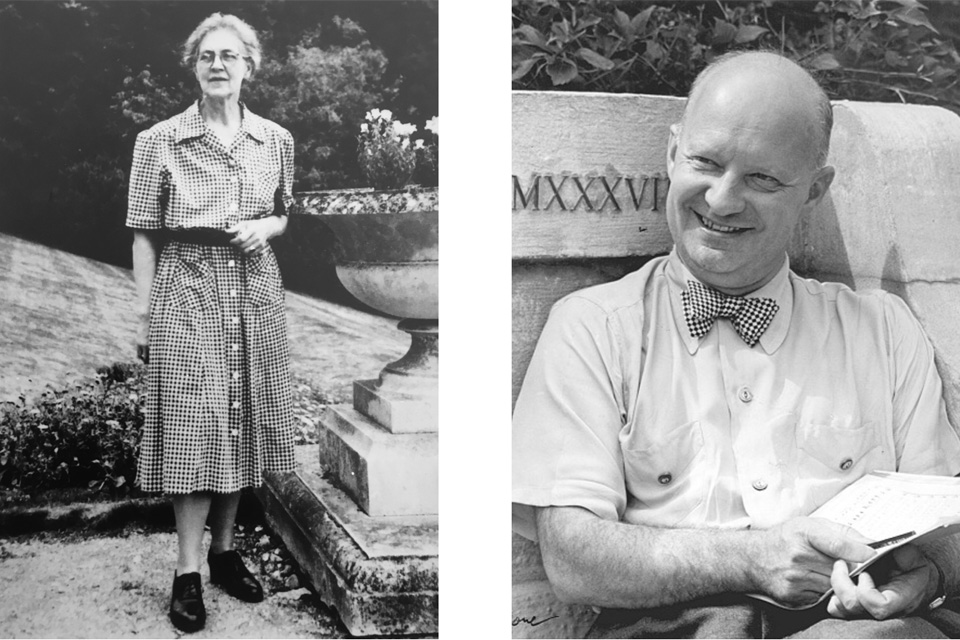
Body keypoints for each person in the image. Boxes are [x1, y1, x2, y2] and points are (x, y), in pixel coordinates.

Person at [512, 51, 960, 638]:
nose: (722, 201)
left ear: (816, 190)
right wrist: (756, 558)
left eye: (763, 179)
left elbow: (945, 529)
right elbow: (573, 560)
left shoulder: (884, 330)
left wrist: (925, 578)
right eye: (705, 161)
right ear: (673, 153)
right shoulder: (592, 327)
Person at [126, 13, 296, 633]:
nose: (218, 65)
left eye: (230, 55)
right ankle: (187, 571)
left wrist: (266, 227)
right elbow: (144, 234)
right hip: (186, 286)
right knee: (195, 424)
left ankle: (225, 554)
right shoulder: (158, 140)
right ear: (195, 67)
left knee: (242, 415)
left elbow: (283, 213)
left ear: (249, 66)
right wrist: (145, 316)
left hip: (254, 289)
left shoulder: (276, 139)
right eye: (207, 56)